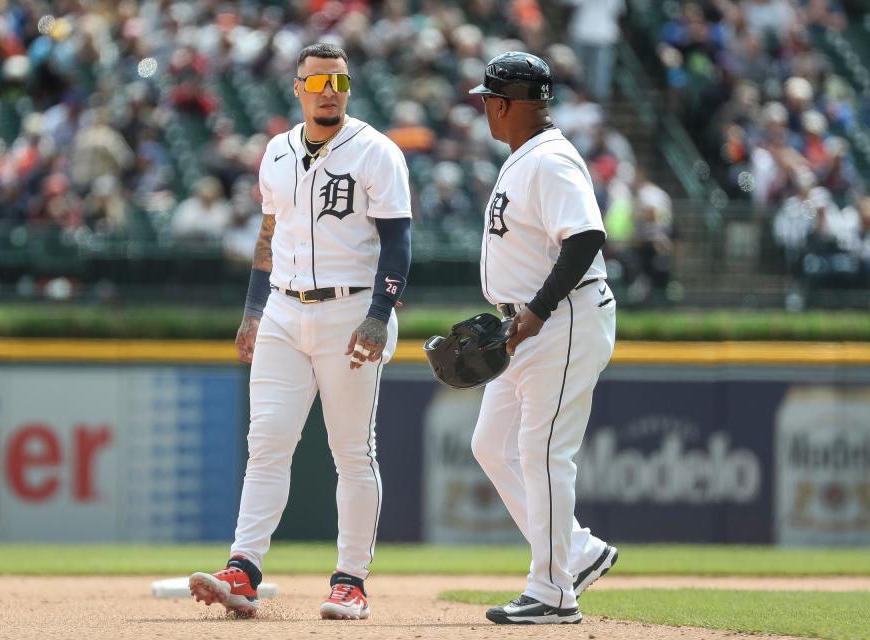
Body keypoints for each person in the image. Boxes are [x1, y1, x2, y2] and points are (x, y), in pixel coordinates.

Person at [188, 43, 412, 621]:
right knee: (266, 445)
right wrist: (252, 311)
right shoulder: (277, 153)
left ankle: (350, 581)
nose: (329, 90)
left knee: (353, 454)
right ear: (298, 89)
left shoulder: (377, 152)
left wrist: (379, 316)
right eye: (317, 83)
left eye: (338, 81)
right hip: (284, 311)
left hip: (350, 310)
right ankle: (243, 570)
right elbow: (271, 236)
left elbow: (397, 243)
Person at [467, 51, 618, 625]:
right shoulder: (527, 155)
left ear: (506, 105)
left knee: (542, 450)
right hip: (527, 323)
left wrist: (535, 309)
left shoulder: (550, 160)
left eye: (489, 101)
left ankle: (553, 591)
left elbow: (586, 238)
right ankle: (576, 551)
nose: (486, 110)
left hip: (563, 318)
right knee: (492, 444)